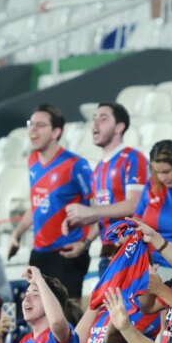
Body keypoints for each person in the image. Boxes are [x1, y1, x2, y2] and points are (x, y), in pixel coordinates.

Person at [9, 105, 93, 300]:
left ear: (56, 131)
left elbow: (96, 211)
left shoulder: (76, 164)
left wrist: (85, 243)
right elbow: (37, 205)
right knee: (37, 317)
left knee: (68, 315)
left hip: (67, 254)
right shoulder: (32, 161)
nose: (33, 130)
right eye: (31, 124)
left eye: (40, 125)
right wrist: (17, 233)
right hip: (39, 254)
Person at [63, 101, 149, 270]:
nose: (95, 124)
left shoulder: (133, 158)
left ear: (119, 127)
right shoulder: (98, 169)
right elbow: (104, 214)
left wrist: (91, 211)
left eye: (103, 119)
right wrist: (84, 234)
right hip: (107, 253)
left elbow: (134, 204)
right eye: (94, 118)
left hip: (131, 251)